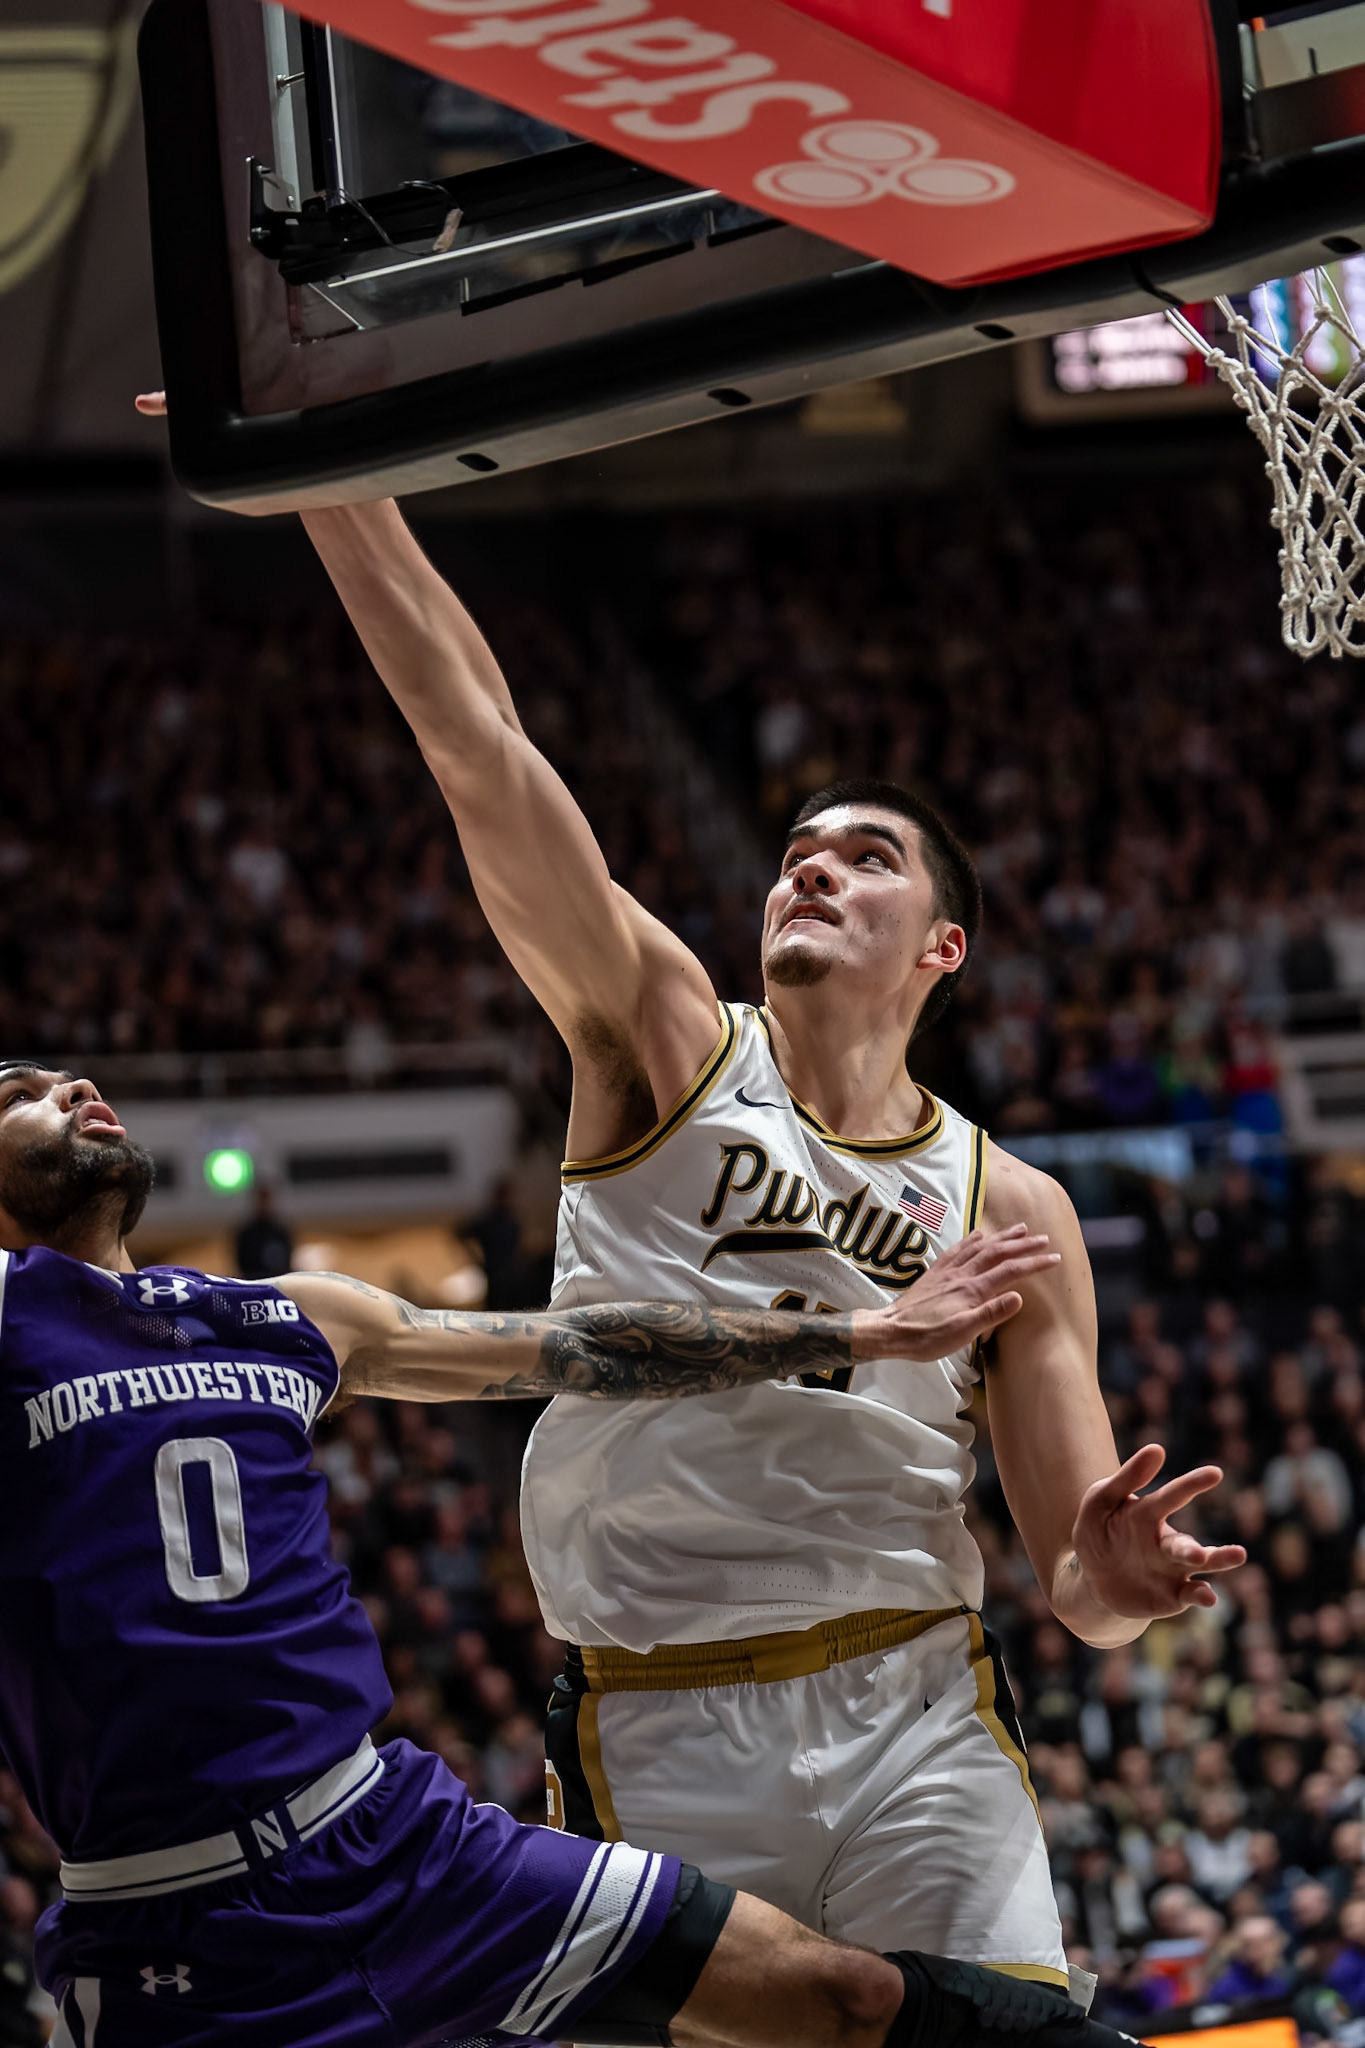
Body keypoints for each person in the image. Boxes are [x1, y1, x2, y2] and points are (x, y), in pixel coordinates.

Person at [286, 490, 1244, 1998]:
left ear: (944, 948)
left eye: (866, 857)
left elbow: (1081, 1587)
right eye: (796, 851)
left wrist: (1119, 1578)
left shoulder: (1013, 1206)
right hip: (657, 1722)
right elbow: (481, 753)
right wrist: (339, 498)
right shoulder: (661, 1034)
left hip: (914, 1701)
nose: (809, 867)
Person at [1, 1054, 1126, 2048]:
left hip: (393, 1838)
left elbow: (584, 1344)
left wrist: (863, 1330)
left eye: (71, 1077)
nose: (74, 1089)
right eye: (22, 1094)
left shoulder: (283, 1315)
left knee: (845, 1998)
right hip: (167, 1910)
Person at [233, 1183, 294, 1283]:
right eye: (262, 1199)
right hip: (254, 1283)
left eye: (267, 1199)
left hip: (278, 1283)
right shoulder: (247, 1234)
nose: (265, 1203)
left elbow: (287, 1262)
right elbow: (242, 1264)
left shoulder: (281, 1232)